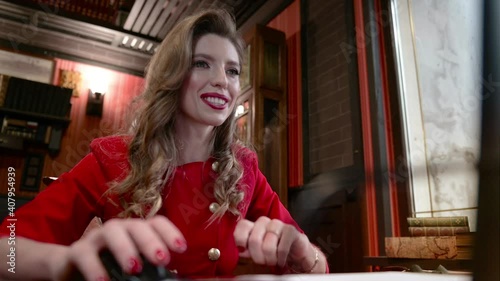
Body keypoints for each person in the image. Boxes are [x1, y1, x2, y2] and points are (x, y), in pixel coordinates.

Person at [0, 9, 328, 280]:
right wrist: (64, 261)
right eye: (202, 63)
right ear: (172, 74)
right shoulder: (112, 157)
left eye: (232, 70)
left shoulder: (245, 169)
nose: (221, 80)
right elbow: (6, 249)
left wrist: (306, 255)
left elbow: (317, 266)